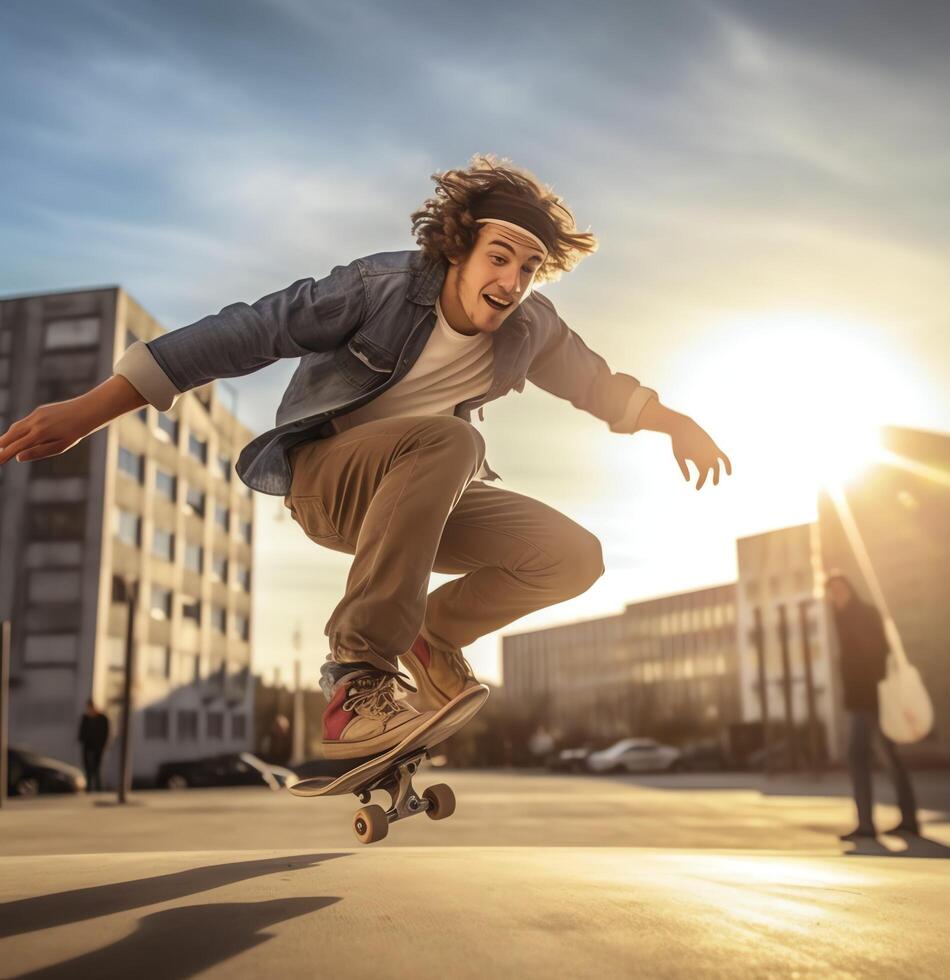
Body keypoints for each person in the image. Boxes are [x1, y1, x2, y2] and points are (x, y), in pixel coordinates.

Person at [0, 156, 731, 773]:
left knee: (573, 556)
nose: (511, 284)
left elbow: (598, 385)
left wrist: (677, 424)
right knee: (451, 441)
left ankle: (431, 634)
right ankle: (358, 676)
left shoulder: (532, 329)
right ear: (459, 249)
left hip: (421, 498)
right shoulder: (378, 286)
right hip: (329, 482)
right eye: (499, 258)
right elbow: (247, 332)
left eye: (530, 269)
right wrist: (91, 409)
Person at [825, 571, 920, 840]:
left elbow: (881, 652)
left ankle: (883, 822)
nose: (837, 594)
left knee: (876, 757)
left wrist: (872, 684)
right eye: (832, 591)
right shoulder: (838, 619)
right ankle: (882, 822)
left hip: (874, 698)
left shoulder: (864, 613)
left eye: (840, 588)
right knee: (876, 757)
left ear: (850, 589)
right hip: (857, 701)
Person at [77, 699, 110, 792]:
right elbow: (81, 733)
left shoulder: (103, 718)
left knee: (97, 768)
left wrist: (103, 746)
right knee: (88, 769)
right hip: (87, 747)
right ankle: (89, 788)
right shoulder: (85, 718)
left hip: (98, 748)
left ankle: (98, 788)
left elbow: (106, 733)